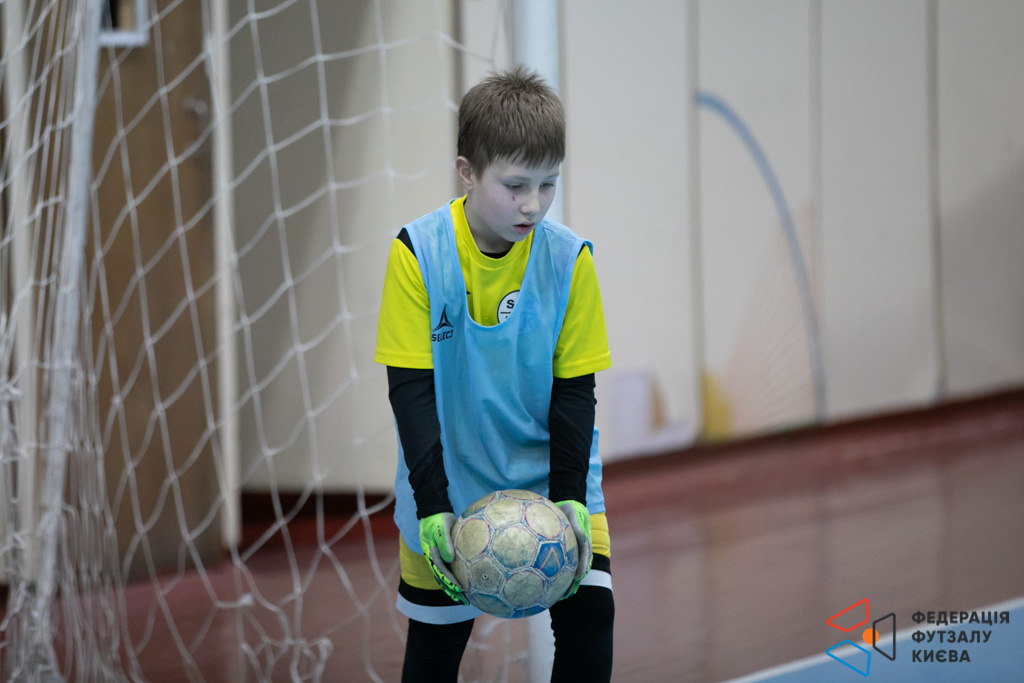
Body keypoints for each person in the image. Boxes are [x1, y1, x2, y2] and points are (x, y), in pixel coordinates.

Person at [375, 66, 614, 682]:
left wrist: (570, 495)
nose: (532, 203)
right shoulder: (418, 254)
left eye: (548, 183)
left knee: (591, 622)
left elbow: (575, 392)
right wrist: (433, 504)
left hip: (555, 478)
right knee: (434, 653)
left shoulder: (570, 259)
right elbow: (410, 393)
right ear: (467, 171)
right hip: (447, 484)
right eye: (514, 185)